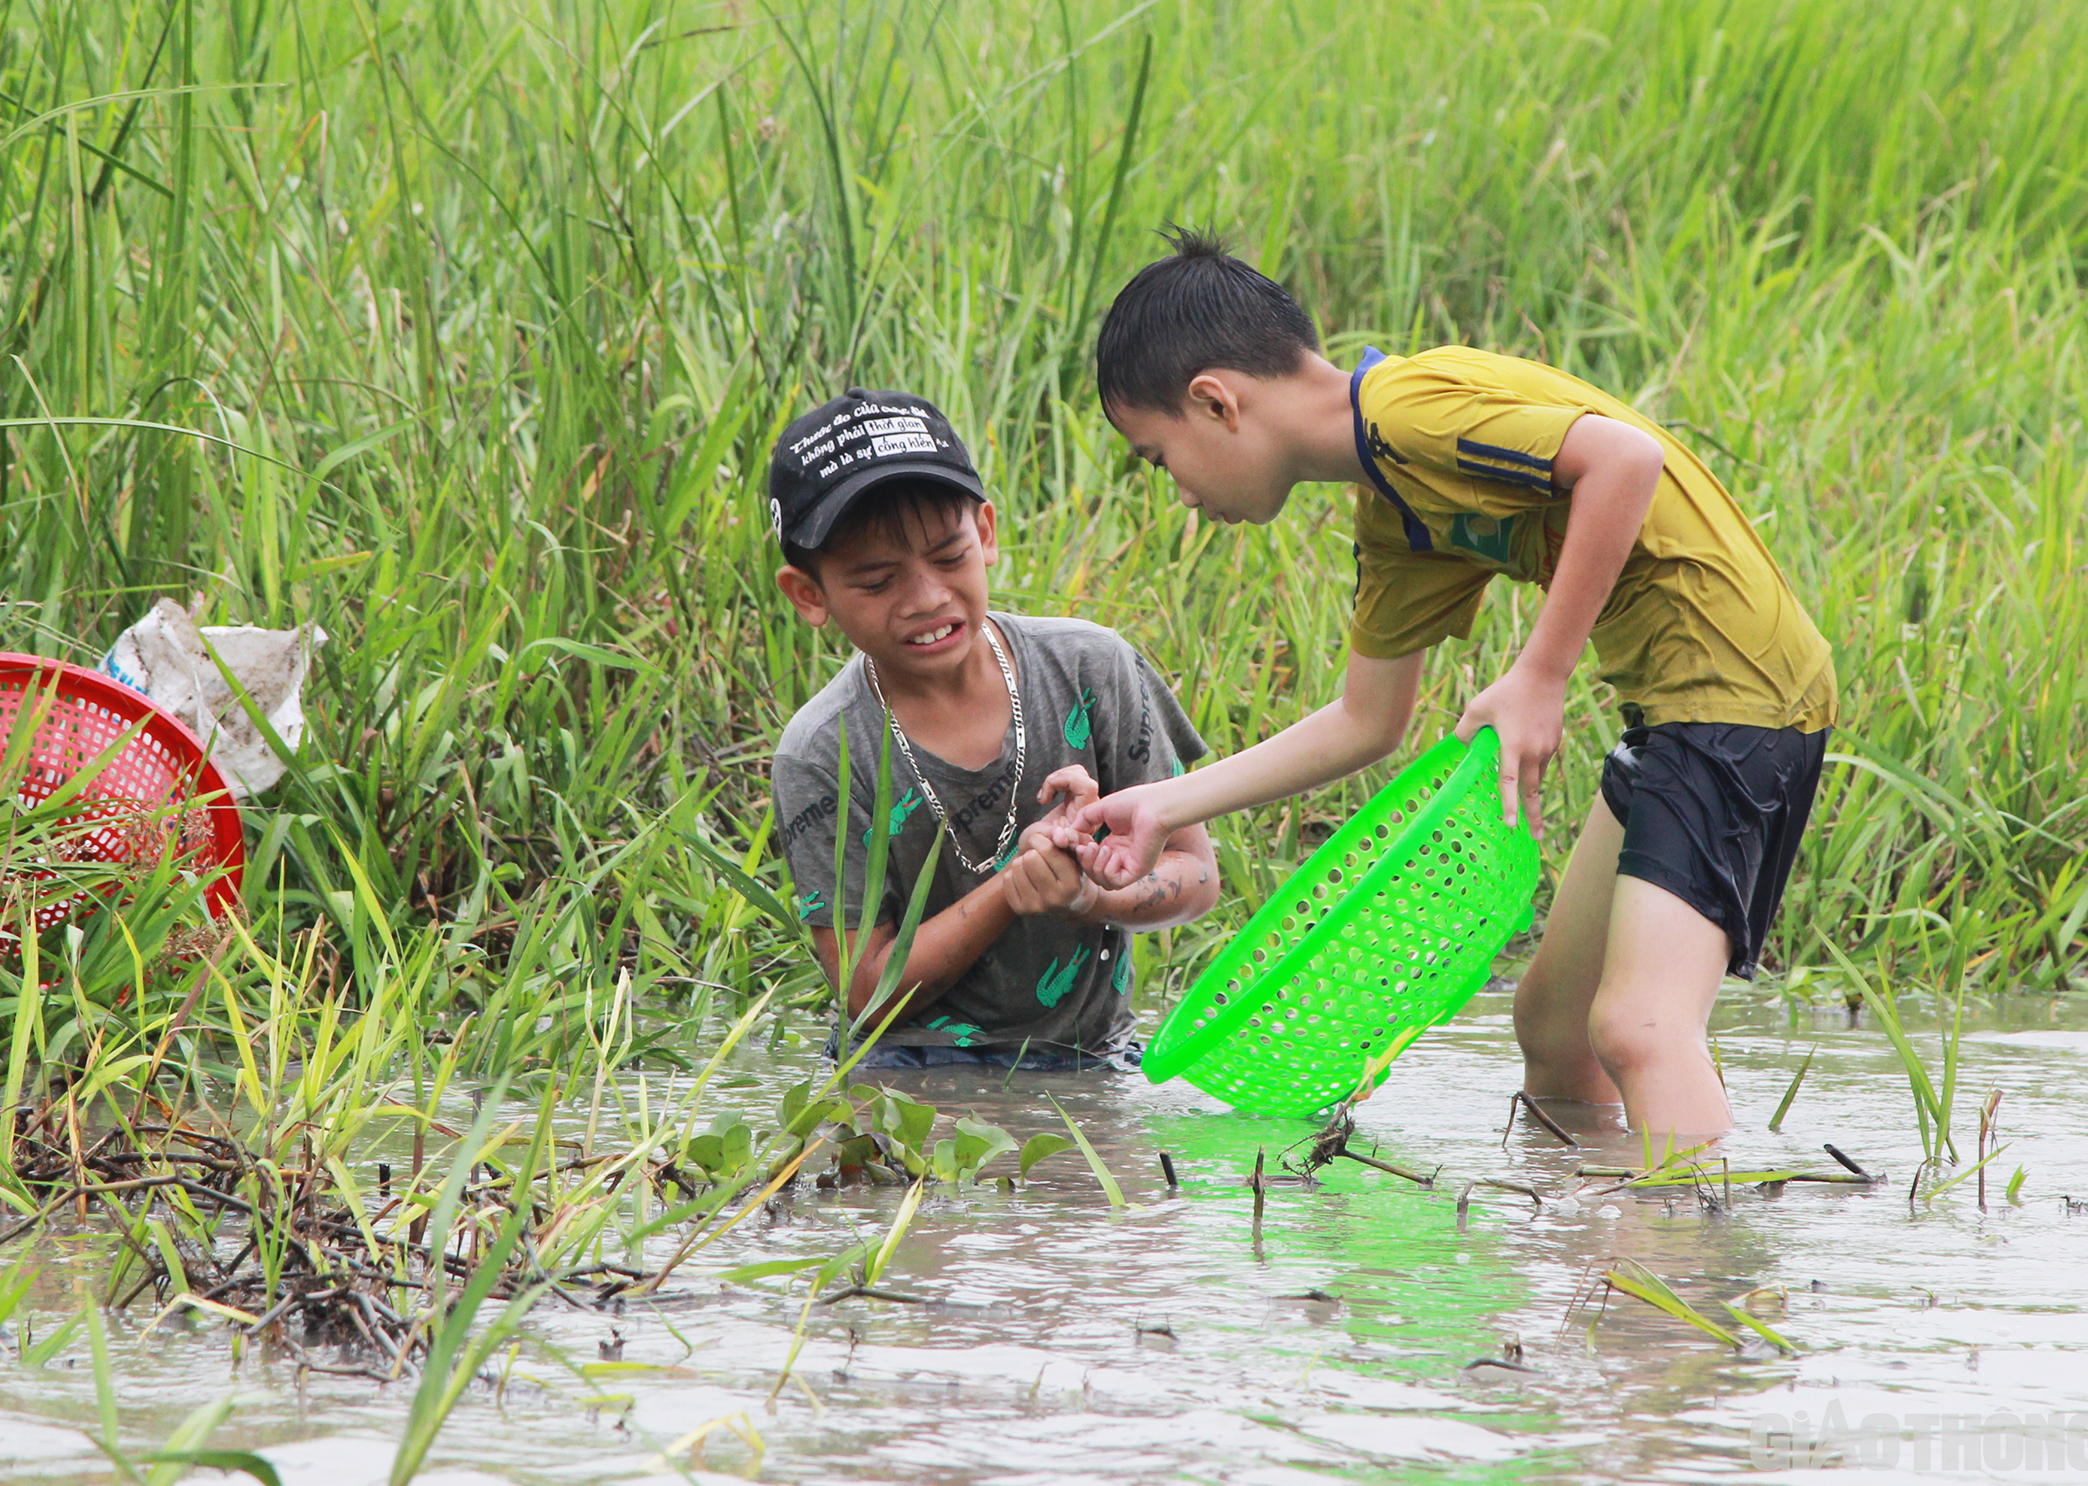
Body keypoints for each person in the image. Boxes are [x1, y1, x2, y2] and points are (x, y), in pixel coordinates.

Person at [1063, 232, 1835, 1137]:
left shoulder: (1406, 411)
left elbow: (1623, 461)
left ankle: (1691, 1267)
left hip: (1741, 699)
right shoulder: (1393, 505)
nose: (1181, 495)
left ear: (1215, 401)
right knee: (1554, 1028)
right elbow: (1366, 720)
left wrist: (1539, 676)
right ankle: (1600, 1240)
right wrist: (1161, 804)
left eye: (1161, 459)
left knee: (1639, 1024)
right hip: (1672, 711)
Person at [766, 388, 1221, 1070]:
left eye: (949, 558)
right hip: (912, 1071)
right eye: (877, 580)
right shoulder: (823, 753)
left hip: (1095, 1056)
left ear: (986, 532)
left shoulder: (1091, 668)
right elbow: (867, 990)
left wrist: (1090, 891)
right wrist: (1012, 890)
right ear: (810, 595)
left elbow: (1197, 876)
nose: (926, 599)